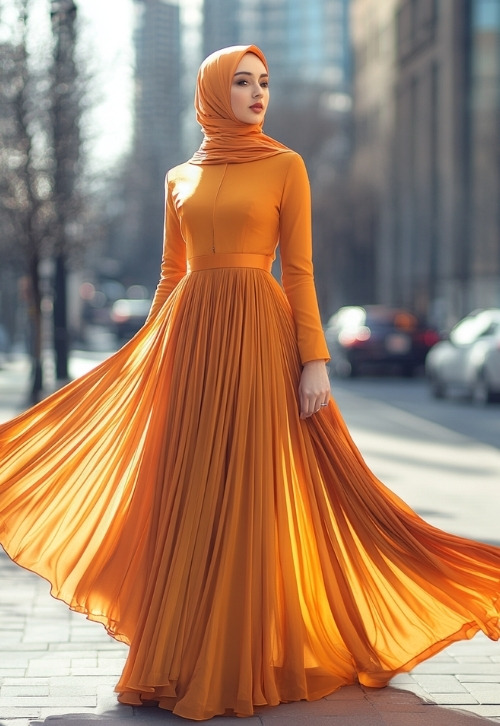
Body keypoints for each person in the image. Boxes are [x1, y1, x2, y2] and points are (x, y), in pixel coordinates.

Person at [0, 44, 499, 722]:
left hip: (261, 342)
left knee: (250, 493)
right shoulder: (180, 176)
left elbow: (298, 271)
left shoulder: (285, 165)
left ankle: (245, 651)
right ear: (213, 91)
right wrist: (148, 355)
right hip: (189, 346)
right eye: (242, 82)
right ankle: (180, 654)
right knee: (189, 494)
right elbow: (171, 276)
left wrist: (314, 358)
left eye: (263, 82)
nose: (257, 93)